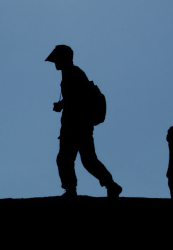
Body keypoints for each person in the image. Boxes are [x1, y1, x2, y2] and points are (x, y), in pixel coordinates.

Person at [45, 45, 122, 198]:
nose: (55, 63)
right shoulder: (71, 73)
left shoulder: (73, 73)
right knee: (83, 159)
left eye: (56, 60)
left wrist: (62, 105)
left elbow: (77, 99)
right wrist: (62, 105)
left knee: (70, 159)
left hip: (76, 125)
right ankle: (109, 185)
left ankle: (74, 190)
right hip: (77, 125)